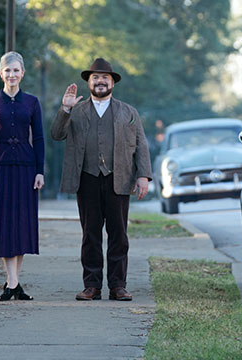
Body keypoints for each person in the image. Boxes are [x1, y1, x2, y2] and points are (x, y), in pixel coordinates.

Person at [50, 58, 152, 301]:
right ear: (89, 82)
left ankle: (118, 285)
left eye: (105, 77)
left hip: (119, 178)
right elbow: (56, 134)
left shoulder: (128, 112)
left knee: (119, 234)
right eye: (95, 77)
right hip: (87, 179)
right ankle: (92, 285)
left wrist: (143, 176)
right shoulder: (76, 110)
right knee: (90, 234)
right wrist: (65, 109)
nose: (100, 81)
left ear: (112, 82)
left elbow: (141, 145)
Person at [0, 51, 45, 301]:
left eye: (16, 70)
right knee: (5, 223)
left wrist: (40, 171)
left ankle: (12, 283)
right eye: (8, 70)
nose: (12, 75)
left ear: (22, 73)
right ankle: (13, 282)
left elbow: (38, 138)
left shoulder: (32, 103)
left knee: (22, 223)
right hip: (0, 167)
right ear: (0, 73)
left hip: (26, 167)